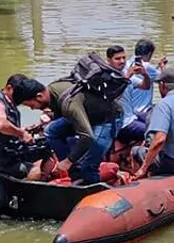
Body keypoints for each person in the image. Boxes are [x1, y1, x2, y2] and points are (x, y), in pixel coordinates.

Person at [45, 52, 129, 186]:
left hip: (107, 119)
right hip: (89, 114)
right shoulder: (54, 89)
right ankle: (75, 173)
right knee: (52, 131)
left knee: (89, 166)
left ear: (38, 96)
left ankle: (91, 186)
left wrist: (68, 160)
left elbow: (87, 137)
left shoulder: (68, 102)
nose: (32, 109)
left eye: (31, 105)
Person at [0, 74, 52, 181]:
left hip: (8, 153)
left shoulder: (11, 105)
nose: (21, 96)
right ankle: (29, 193)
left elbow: (9, 130)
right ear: (9, 88)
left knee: (45, 149)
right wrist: (21, 133)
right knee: (34, 168)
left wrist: (28, 129)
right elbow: (0, 124)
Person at [115, 40, 165, 146]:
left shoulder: (127, 66)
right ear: (150, 54)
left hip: (132, 112)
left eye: (122, 58)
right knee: (158, 131)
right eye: (118, 59)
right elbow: (166, 78)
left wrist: (145, 75)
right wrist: (162, 67)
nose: (121, 61)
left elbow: (145, 86)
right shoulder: (141, 68)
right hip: (140, 112)